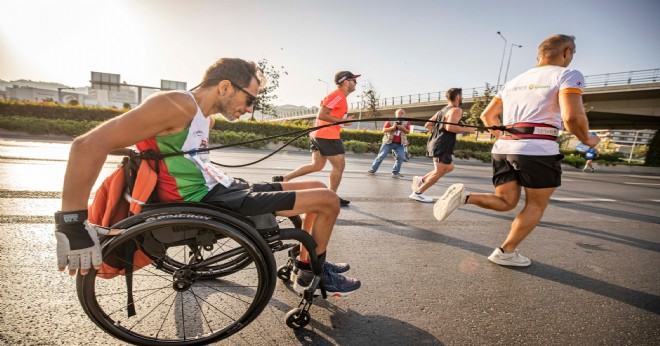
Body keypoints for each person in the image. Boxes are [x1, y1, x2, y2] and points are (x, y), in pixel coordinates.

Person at [54, 58, 360, 296]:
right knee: (328, 200)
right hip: (205, 200)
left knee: (314, 186)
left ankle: (310, 260)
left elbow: (155, 144)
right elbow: (86, 146)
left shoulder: (204, 118)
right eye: (250, 99)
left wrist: (144, 153)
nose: (250, 109)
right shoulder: (176, 104)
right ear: (225, 87)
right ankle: (310, 268)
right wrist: (72, 224)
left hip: (220, 189)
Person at [433, 34, 600, 267]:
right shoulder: (568, 75)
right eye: (571, 53)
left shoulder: (513, 82)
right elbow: (572, 117)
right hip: (539, 149)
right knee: (535, 205)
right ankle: (505, 252)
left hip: (503, 148)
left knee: (506, 201)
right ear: (567, 52)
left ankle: (464, 197)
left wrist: (508, 137)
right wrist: (587, 138)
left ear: (538, 55)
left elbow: (487, 116)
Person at [272, 71, 359, 207]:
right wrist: (341, 120)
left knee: (317, 165)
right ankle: (332, 196)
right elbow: (322, 115)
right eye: (354, 81)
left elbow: (329, 117)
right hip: (327, 135)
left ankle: (284, 178)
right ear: (346, 82)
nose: (356, 84)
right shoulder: (338, 96)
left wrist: (342, 122)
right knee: (339, 165)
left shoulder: (340, 98)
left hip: (320, 134)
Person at [409, 88, 475, 203]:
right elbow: (450, 127)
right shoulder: (456, 110)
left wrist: (437, 136)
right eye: (461, 96)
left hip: (438, 143)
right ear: (458, 96)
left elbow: (428, 124)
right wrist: (468, 129)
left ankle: (422, 179)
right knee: (439, 171)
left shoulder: (442, 111)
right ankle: (418, 193)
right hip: (443, 145)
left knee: (449, 167)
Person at [368, 108, 411, 177]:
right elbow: (384, 130)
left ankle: (395, 172)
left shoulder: (407, 122)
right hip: (388, 142)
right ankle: (373, 169)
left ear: (405, 115)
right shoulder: (390, 121)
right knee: (381, 155)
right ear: (395, 114)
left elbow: (408, 132)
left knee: (401, 157)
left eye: (402, 113)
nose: (400, 114)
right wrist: (393, 127)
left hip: (399, 144)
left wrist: (402, 128)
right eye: (398, 113)